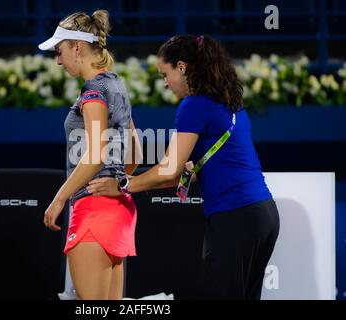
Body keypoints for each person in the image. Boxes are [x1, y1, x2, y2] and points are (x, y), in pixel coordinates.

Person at [86, 34, 280, 300]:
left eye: (165, 74)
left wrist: (121, 185)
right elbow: (174, 175)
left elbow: (167, 171)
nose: (165, 83)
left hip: (235, 218)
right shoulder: (227, 100)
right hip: (263, 216)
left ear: (182, 67)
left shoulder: (194, 104)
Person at [40, 10, 142, 300]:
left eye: (59, 52)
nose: (58, 61)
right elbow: (134, 152)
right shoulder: (116, 85)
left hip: (94, 210)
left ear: (77, 47)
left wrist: (59, 198)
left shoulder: (93, 91)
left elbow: (96, 153)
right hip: (119, 209)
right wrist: (117, 181)